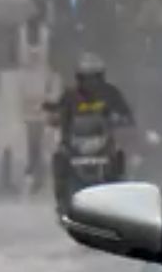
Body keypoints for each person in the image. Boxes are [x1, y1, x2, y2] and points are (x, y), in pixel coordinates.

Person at [45, 52, 136, 199]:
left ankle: (119, 193)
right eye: (86, 78)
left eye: (95, 78)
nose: (90, 83)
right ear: (78, 78)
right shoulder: (70, 95)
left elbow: (126, 113)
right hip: (73, 142)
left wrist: (121, 119)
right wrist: (55, 118)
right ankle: (62, 199)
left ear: (101, 77)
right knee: (59, 157)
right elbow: (57, 111)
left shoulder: (110, 93)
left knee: (119, 155)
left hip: (103, 142)